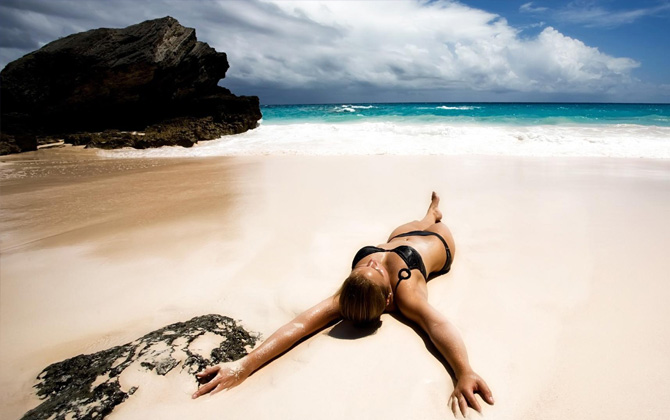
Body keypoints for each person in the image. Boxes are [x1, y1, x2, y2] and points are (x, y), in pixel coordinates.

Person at [192, 192, 494, 416]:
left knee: (417, 222)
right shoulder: (405, 293)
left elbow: (300, 324)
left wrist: (244, 365)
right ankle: (434, 218)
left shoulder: (352, 293)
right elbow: (437, 324)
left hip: (400, 236)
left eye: (366, 268)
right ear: (388, 299)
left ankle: (431, 212)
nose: (373, 262)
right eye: (373, 270)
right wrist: (464, 371)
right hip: (438, 241)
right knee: (429, 226)